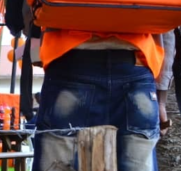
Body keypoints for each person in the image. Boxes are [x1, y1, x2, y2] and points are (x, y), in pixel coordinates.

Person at [32, 29, 165, 171]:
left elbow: (23, 19)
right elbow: (167, 28)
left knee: (58, 160)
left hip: (70, 63)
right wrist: (162, 99)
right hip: (135, 65)